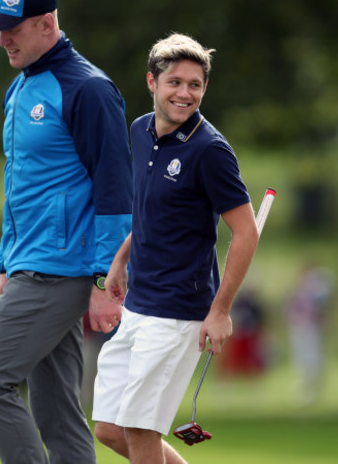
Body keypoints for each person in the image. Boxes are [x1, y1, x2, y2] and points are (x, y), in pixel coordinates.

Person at [0, 0, 133, 463]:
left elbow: (117, 191)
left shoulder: (89, 89)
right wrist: (5, 262)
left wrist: (105, 279)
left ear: (47, 23)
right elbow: (21, 187)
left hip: (60, 270)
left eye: (11, 29)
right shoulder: (21, 87)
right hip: (30, 265)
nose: (2, 41)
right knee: (57, 412)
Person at [91, 33, 260, 464]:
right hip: (138, 306)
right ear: (152, 82)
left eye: (195, 84)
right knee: (110, 430)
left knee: (140, 429)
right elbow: (150, 207)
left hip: (177, 312)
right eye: (175, 82)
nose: (185, 93)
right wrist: (122, 257)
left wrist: (220, 311)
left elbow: (246, 232)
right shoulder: (140, 130)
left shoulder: (210, 151)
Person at [285, 261, 336, 406]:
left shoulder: (317, 287)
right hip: (300, 326)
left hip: (312, 327)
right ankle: (307, 385)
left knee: (313, 357)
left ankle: (312, 387)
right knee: (302, 357)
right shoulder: (301, 289)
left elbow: (321, 305)